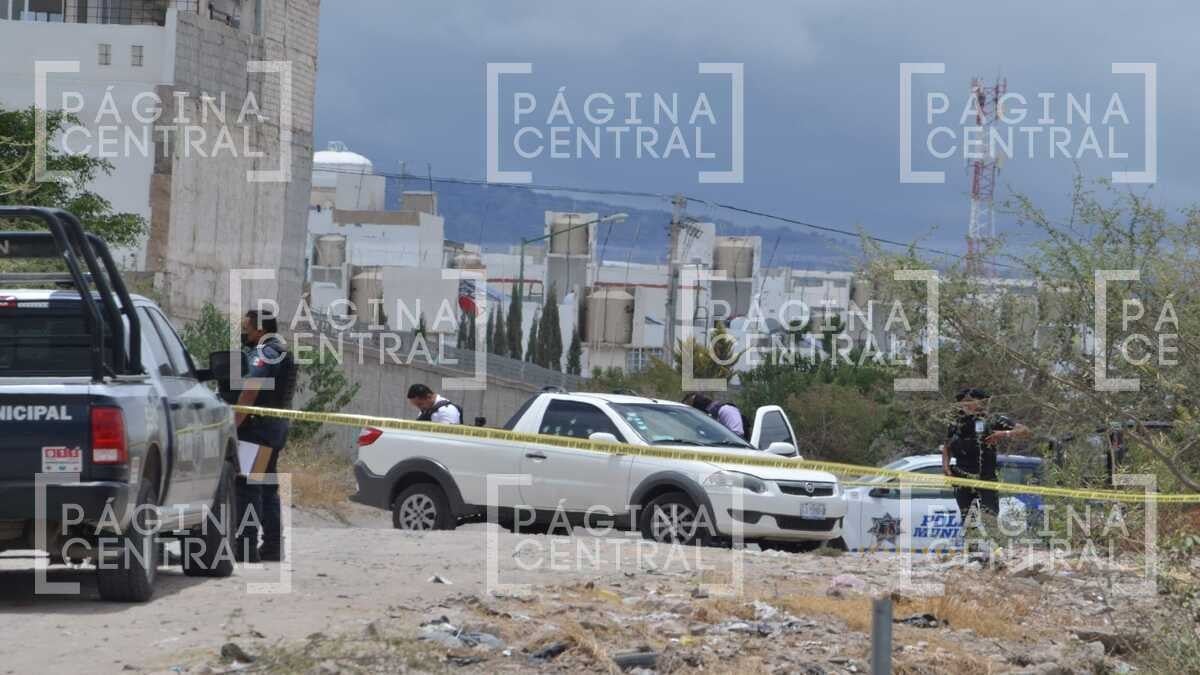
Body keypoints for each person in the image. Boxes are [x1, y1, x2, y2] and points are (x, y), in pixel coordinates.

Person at [233, 309, 297, 563]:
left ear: (260, 330)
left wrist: (235, 422)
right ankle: (271, 546)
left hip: (259, 430)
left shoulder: (266, 352)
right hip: (274, 427)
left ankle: (246, 547)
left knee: (248, 486)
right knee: (267, 486)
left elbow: (250, 389)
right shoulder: (280, 350)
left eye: (247, 328)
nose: (244, 332)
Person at [940, 387, 1029, 548]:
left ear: (980, 402)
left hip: (985, 477)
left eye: (970, 401)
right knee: (968, 517)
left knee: (990, 516)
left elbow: (1024, 431)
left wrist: (1002, 434)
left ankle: (995, 551)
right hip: (962, 477)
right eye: (963, 401)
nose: (965, 404)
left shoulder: (992, 419)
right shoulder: (956, 423)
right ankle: (973, 554)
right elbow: (946, 446)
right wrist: (946, 467)